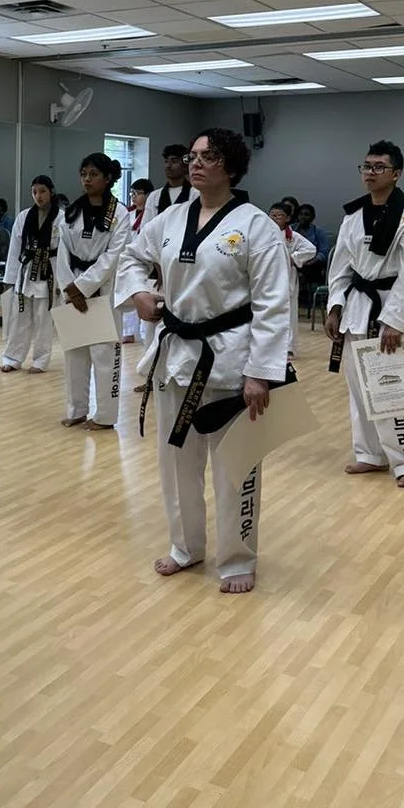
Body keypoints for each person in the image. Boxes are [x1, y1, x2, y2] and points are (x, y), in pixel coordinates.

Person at [116, 129, 290, 595]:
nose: (195, 163)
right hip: (176, 357)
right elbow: (131, 257)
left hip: (232, 361)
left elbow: (274, 304)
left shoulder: (256, 226)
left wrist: (261, 372)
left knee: (237, 466)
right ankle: (185, 547)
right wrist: (138, 293)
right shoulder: (170, 218)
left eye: (208, 157)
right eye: (192, 155)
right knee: (176, 463)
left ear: (230, 167)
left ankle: (236, 558)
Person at [324, 141, 404, 489]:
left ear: (396, 173)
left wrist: (394, 320)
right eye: (366, 166)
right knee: (358, 388)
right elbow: (340, 265)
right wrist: (335, 305)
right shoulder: (353, 216)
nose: (370, 172)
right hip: (357, 305)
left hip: (389, 305)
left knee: (393, 387)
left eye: (379, 167)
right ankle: (370, 454)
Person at [56, 152, 130, 430]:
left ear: (108, 178)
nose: (87, 179)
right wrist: (70, 288)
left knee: (104, 354)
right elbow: (61, 252)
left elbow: (115, 255)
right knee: (74, 352)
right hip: (72, 287)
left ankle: (106, 416)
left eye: (93, 174)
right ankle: (76, 409)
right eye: (83, 174)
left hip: (104, 289)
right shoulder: (71, 212)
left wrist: (85, 287)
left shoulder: (119, 213)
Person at [0, 175, 61, 373]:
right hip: (26, 271)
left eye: (42, 191)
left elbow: (66, 251)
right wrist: (9, 279)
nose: (38, 196)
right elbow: (15, 249)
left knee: (44, 319)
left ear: (51, 191)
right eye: (34, 192)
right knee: (19, 318)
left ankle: (40, 360)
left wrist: (65, 281)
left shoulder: (62, 217)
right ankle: (12, 358)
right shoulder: (24, 216)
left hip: (50, 270)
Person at [268, 202, 316, 355]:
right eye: (272, 215)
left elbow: (311, 249)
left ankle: (288, 347)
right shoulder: (262, 233)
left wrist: (293, 258)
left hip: (286, 278)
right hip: (266, 278)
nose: (275, 219)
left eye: (279, 216)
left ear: (288, 218)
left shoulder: (293, 237)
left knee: (288, 313)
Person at [121, 178, 154, 346]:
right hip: (129, 257)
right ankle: (127, 332)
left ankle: (142, 331)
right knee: (129, 292)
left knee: (143, 293)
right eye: (132, 193)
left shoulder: (153, 214)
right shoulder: (127, 213)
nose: (133, 196)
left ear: (148, 195)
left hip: (147, 259)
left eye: (137, 193)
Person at [142, 144, 194, 226]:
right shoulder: (154, 196)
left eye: (174, 161)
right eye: (166, 161)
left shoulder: (195, 194)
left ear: (185, 165)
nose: (168, 166)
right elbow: (146, 227)